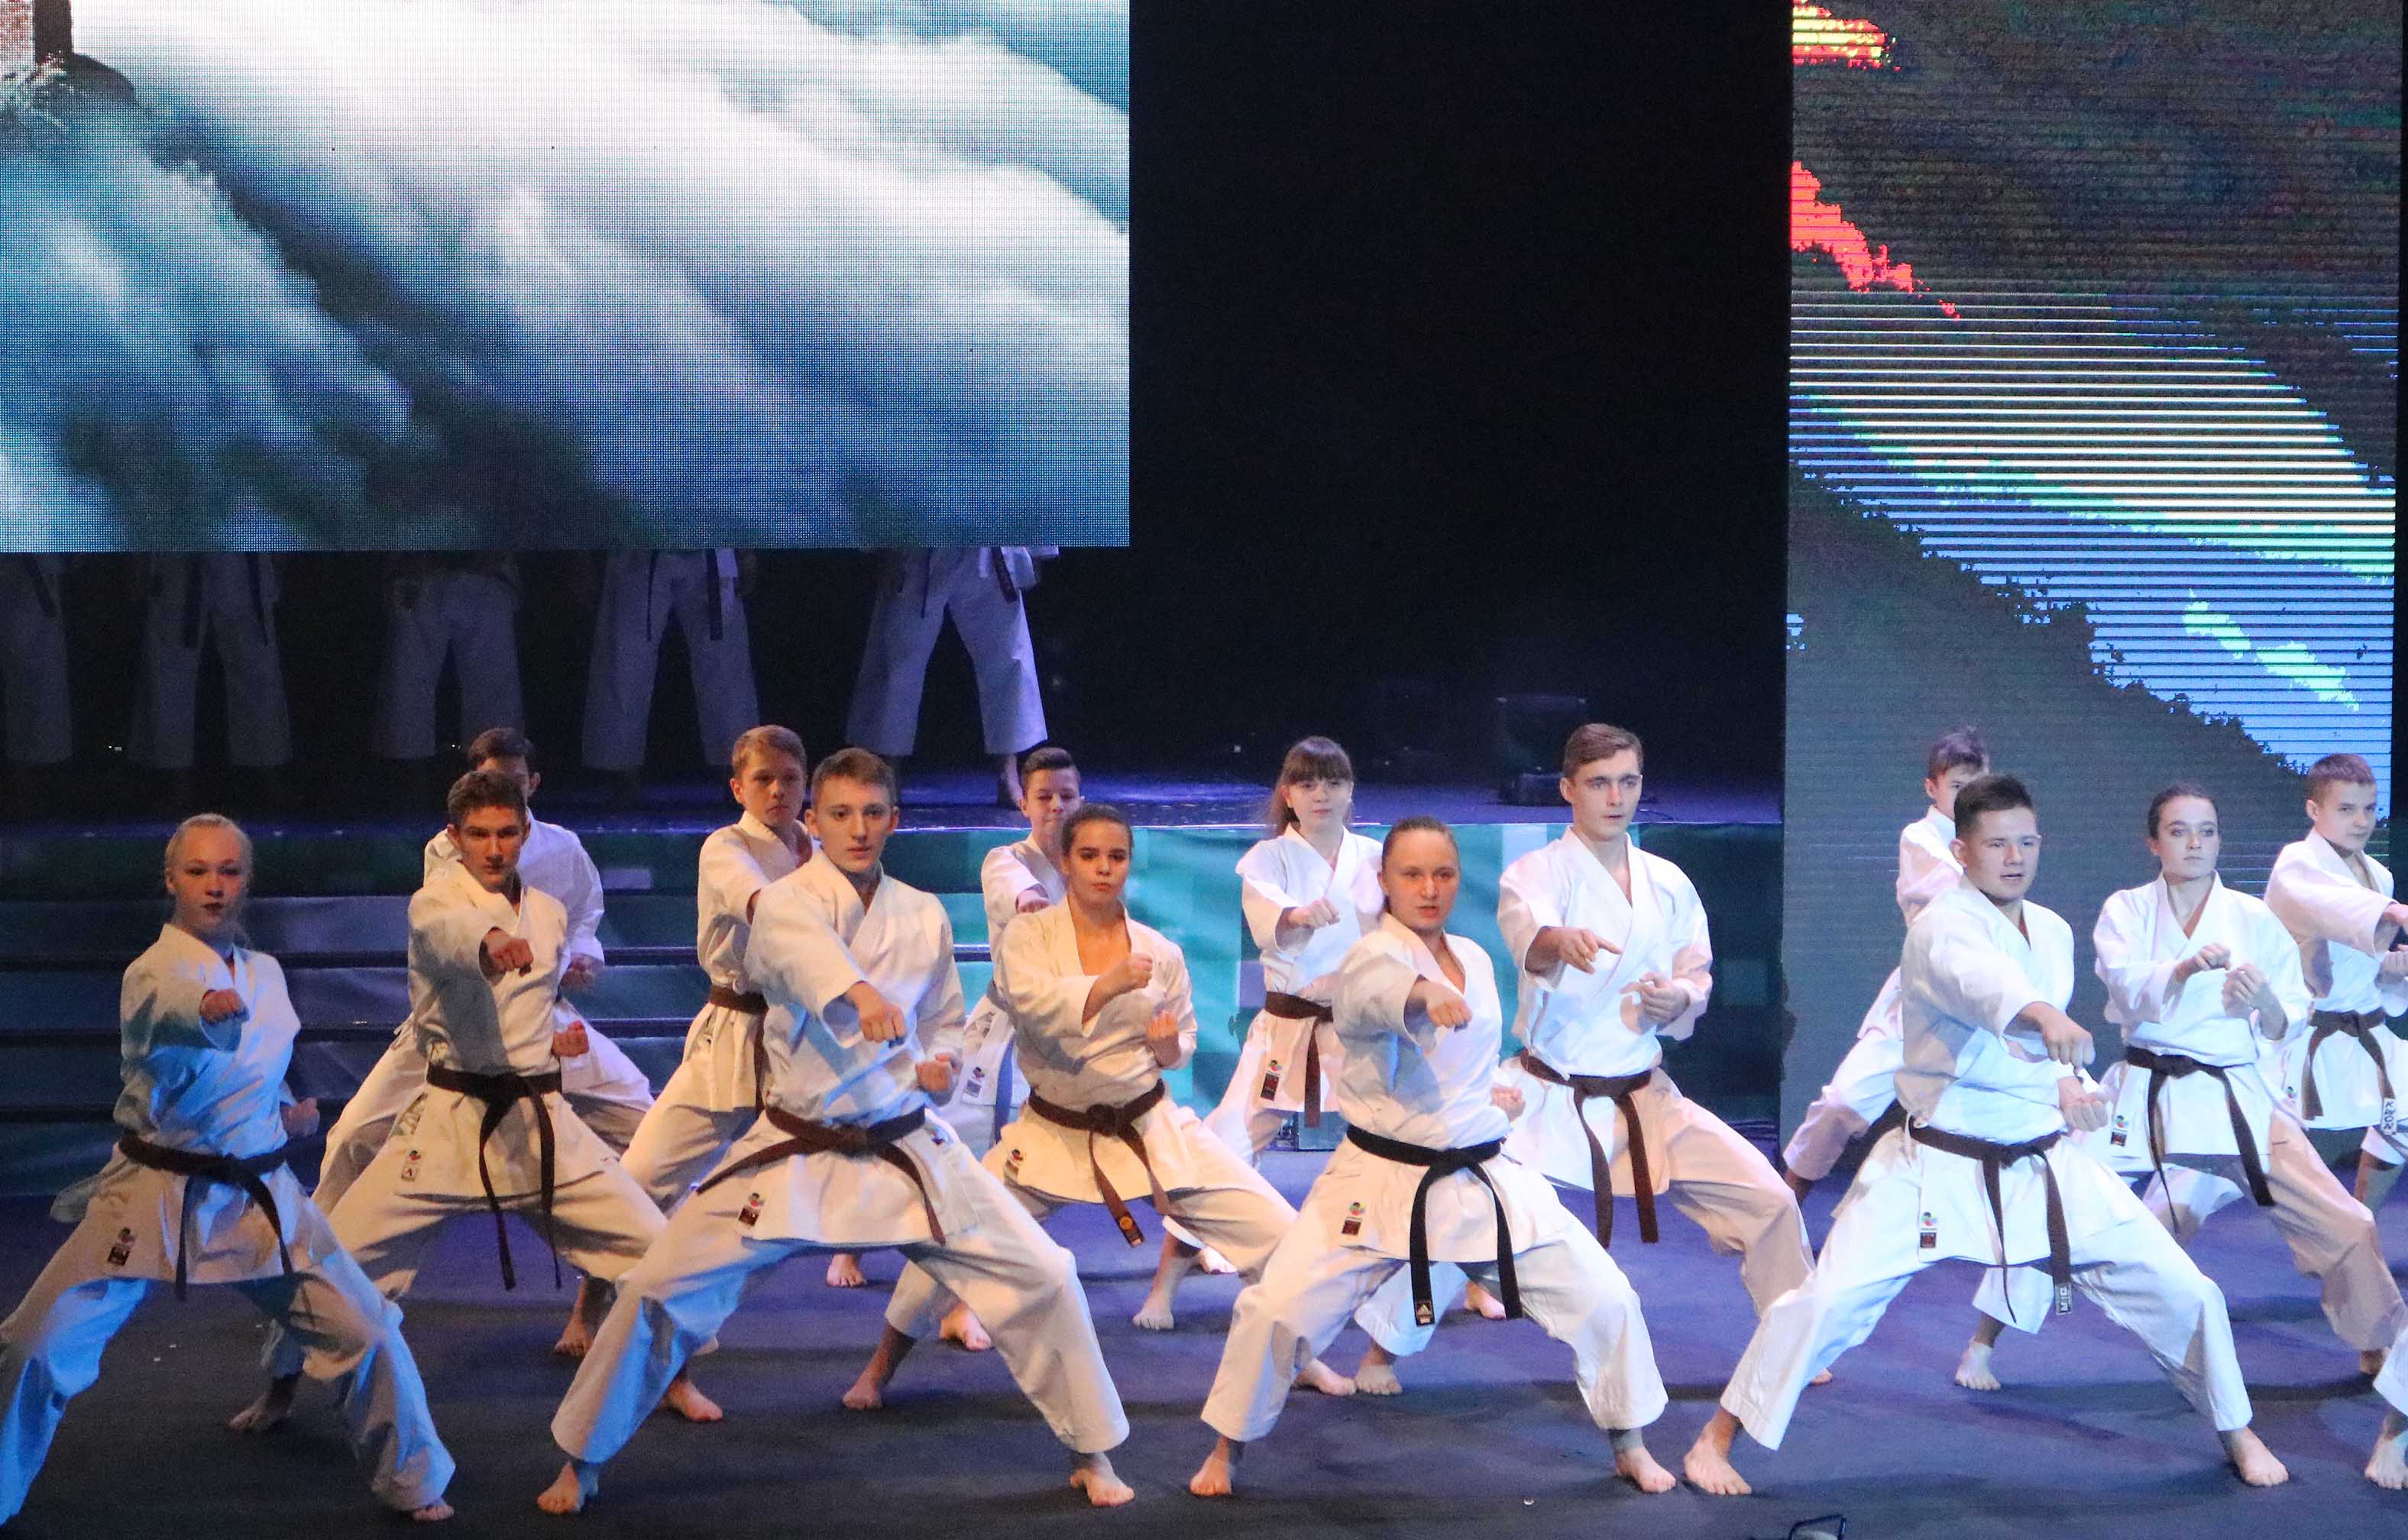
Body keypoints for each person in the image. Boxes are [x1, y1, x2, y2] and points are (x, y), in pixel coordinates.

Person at [540, 749, 1135, 1514]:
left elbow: (944, 1018)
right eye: (842, 814)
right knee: (659, 1286)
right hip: (796, 1144)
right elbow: (798, 956)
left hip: (903, 1142)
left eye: (874, 813)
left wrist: (942, 1062)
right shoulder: (785, 903)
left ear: (895, 820)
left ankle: (1091, 1450)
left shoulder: (921, 911)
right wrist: (858, 993)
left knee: (1046, 1273)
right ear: (813, 823)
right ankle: (581, 1459)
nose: (859, 829)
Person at [1683, 775, 2287, 1495]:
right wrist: (2043, 1015)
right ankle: (1716, 1437)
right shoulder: (1940, 927)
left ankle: (2236, 1429)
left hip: (2043, 1160)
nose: (2014, 857)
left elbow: (2037, 1057)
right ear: (1962, 851)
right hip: (1937, 1161)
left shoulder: (2052, 929)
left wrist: (2071, 1085)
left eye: (2026, 842)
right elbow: (1985, 985)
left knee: (2186, 1290)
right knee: (1826, 1303)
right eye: (1997, 844)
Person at [1187, 816, 1672, 1498]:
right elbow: (1369, 999)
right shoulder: (1367, 956)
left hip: (1481, 1173)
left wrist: (1493, 1093)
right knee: (1277, 1311)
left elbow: (1464, 1064)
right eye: (1411, 874)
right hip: (1378, 1179)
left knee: (1607, 1296)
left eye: (1443, 873)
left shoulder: (1474, 958)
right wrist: (1421, 994)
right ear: (1384, 881)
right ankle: (1226, 1449)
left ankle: (1629, 1442)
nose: (1428, 888)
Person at [0, 816, 455, 1525]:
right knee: (34, 1344)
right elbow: (168, 1015)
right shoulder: (153, 972)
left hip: (258, 1195)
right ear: (171, 880)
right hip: (154, 1192)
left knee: (368, 1330)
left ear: (246, 882)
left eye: (229, 871)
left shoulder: (265, 973)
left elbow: (256, 1068)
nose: (214, 886)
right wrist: (205, 1010)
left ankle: (414, 1480)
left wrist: (285, 1114)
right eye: (198, 872)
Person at [1351, 724, 1811, 1392]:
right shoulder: (1535, 873)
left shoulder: (1668, 882)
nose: (1615, 798)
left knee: (1769, 1199)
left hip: (1644, 1095)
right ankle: (1382, 1351)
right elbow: (1531, 938)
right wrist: (1557, 942)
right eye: (1599, 784)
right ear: (1568, 789)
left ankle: (1795, 1344)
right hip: (1549, 1094)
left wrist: (1678, 998)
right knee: (1472, 1212)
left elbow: (1697, 975)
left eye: (1628, 782)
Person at [859, 804, 1352, 1399]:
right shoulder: (1028, 938)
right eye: (1089, 855)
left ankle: (1298, 1356)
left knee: (1278, 1231)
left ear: (1129, 865)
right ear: (1065, 862)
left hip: (1148, 1125)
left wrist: (1168, 1047)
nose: (1103, 868)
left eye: (1116, 857)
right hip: (1052, 1131)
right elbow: (1033, 1010)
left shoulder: (1158, 951)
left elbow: (1183, 1039)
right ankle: (879, 1367)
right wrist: (1108, 984)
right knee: (952, 1237)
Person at [301, 771, 712, 1419]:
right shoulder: (434, 902)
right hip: (450, 1122)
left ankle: (666, 1379)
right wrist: (492, 944)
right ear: (455, 837)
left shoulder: (548, 912)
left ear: (525, 834)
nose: (494, 849)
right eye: (479, 835)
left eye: (506, 834)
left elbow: (531, 1006)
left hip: (538, 1122)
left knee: (657, 1253)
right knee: (335, 1269)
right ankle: (278, 1383)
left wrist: (555, 1041)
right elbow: (455, 937)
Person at [2083, 783, 2402, 1375]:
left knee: (2350, 1224)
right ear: (2154, 843)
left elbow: (2288, 1017)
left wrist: (2264, 1003)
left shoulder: (2252, 918)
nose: (2195, 844)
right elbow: (2124, 987)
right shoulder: (2126, 910)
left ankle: (2377, 1341)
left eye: (2206, 831)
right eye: (2179, 831)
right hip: (2150, 1090)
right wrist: (2182, 969)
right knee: (2060, 1198)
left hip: (2237, 1095)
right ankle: (1987, 1335)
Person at [901, 742, 1081, 1350]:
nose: (1056, 807)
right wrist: (1035, 900)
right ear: (1024, 803)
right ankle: (894, 1263)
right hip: (1003, 1036)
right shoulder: (1006, 861)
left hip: (1062, 1034)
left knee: (1036, 1165)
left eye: (1067, 796)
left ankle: (968, 1297)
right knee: (961, 1158)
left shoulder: (1089, 863)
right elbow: (1019, 891)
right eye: (1044, 797)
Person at [1782, 727, 1988, 1195]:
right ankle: (1786, 1199)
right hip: (1920, 998)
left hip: (1980, 1003)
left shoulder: (1998, 842)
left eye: (1978, 787)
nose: (1969, 798)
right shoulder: (1921, 838)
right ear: (1932, 787)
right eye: (1958, 786)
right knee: (1843, 1102)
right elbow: (1955, 895)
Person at [2262, 752, 2408, 1217]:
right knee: (2237, 1153)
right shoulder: (2296, 864)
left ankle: (2360, 1221)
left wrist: (2392, 974)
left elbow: (2363, 966)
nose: (2362, 821)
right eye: (2346, 809)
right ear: (2314, 810)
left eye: (2369, 808)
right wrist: (2396, 913)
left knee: (2405, 1115)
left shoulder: (2378, 875)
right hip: (2299, 1036)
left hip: (2363, 1033)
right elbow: (2334, 909)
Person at [846, 548, 1049, 804]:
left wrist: (1038, 550)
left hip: (987, 544)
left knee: (1008, 660)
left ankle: (1008, 773)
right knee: (897, 663)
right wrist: (886, 550)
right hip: (917, 542)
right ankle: (889, 771)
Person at [581, 551, 762, 802]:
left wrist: (744, 549)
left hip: (709, 539)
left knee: (725, 664)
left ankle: (738, 770)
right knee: (625, 657)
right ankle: (620, 774)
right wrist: (583, 558)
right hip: (638, 543)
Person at [128, 552, 293, 801]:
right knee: (170, 669)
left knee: (257, 668)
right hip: (178, 553)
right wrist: (138, 563)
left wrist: (278, 560)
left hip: (239, 553)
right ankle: (173, 775)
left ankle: (266, 764)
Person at [371, 552, 525, 776]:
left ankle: (497, 773)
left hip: (487, 566)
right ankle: (406, 777)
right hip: (415, 565)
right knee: (407, 683)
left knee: (493, 684)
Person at [0, 554, 72, 810]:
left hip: (39, 613)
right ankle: (24, 794)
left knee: (39, 709)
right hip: (23, 608)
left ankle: (35, 795)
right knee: (25, 708)